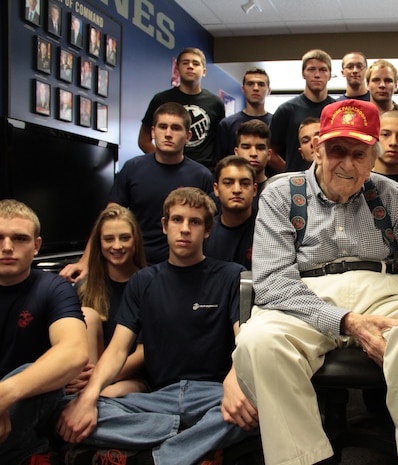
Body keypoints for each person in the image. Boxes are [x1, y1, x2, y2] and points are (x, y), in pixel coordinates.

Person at [232, 99, 398, 465]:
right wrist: (345, 321)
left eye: (359, 154)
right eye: (337, 150)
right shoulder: (281, 193)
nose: (347, 163)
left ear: (374, 157)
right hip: (304, 298)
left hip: (383, 293)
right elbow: (274, 280)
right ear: (318, 148)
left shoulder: (387, 193)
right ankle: (306, 459)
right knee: (257, 342)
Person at [56, 187, 256, 465]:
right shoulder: (143, 281)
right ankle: (191, 440)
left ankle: (152, 457)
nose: (185, 229)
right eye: (177, 220)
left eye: (195, 222)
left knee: (261, 406)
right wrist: (88, 398)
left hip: (215, 394)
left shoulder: (231, 275)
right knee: (66, 407)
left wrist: (235, 382)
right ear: (164, 225)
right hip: (159, 398)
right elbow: (116, 351)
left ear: (207, 229)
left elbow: (244, 341)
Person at [59, 102, 213, 282]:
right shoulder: (133, 168)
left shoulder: (202, 175)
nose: (168, 133)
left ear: (188, 136)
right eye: (163, 127)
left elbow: (210, 228)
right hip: (136, 266)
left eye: (176, 128)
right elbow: (108, 219)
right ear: (153, 132)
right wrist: (85, 261)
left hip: (183, 267)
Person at [0, 199, 88, 465]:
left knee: (36, 370)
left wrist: (4, 395)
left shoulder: (54, 288)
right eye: (0, 238)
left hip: (33, 401)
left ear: (36, 246)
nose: (7, 247)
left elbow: (74, 352)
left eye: (19, 239)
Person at [69, 206, 148, 400]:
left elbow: (145, 352)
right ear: (99, 243)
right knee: (88, 315)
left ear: (135, 240)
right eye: (109, 239)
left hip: (133, 377)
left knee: (105, 396)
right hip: (88, 377)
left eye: (124, 238)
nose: (117, 246)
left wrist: (101, 377)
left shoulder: (151, 283)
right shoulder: (83, 288)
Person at [138, 47, 225, 170]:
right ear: (177, 69)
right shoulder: (161, 99)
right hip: (168, 169)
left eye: (196, 63)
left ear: (204, 71)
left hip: (205, 170)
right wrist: (162, 160)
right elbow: (144, 140)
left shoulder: (215, 103)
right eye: (185, 63)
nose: (190, 66)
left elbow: (220, 143)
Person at [269, 49, 335, 173]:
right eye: (311, 69)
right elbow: (270, 151)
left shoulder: (337, 110)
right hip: (295, 181)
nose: (317, 75)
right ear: (303, 74)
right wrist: (289, 172)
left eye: (323, 70)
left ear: (330, 75)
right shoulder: (286, 110)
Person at [205, 156, 257, 269]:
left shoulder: (269, 228)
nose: (237, 190)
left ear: (254, 190)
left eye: (245, 183)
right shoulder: (205, 232)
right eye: (228, 183)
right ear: (216, 189)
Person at [216, 68, 274, 158]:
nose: (255, 88)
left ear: (269, 90)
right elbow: (221, 161)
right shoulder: (227, 124)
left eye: (261, 84)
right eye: (250, 84)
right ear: (243, 89)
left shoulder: (277, 123)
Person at [234, 119, 271, 194]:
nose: (253, 153)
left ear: (269, 154)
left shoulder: (278, 194)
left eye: (260, 148)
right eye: (246, 147)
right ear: (236, 152)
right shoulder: (223, 196)